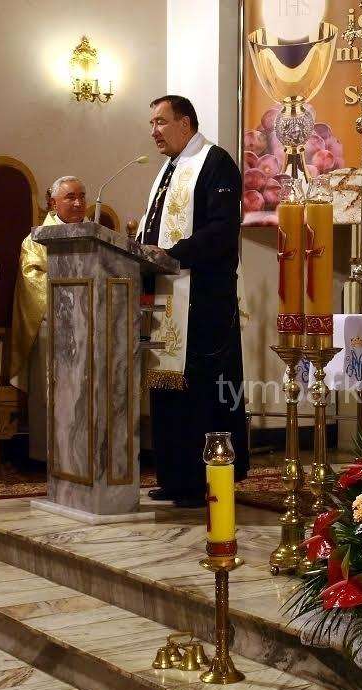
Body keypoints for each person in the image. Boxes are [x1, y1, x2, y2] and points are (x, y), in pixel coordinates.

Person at [140, 95, 249, 507]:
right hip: (168, 295)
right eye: (152, 123)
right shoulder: (168, 169)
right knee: (170, 391)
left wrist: (174, 254)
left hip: (203, 300)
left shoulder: (215, 163)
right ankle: (176, 476)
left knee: (204, 391)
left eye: (161, 122)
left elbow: (221, 229)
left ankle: (209, 477)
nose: (154, 131)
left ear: (185, 124)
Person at [10, 175, 87, 461]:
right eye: (70, 197)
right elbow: (32, 279)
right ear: (53, 203)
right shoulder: (36, 239)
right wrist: (75, 294)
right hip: (52, 322)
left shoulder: (96, 236)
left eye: (82, 196)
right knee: (53, 391)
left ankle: (85, 453)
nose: (78, 203)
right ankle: (49, 455)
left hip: (91, 321)